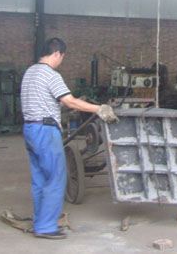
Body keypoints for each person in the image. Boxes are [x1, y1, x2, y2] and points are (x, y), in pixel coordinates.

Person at [20, 37, 118, 239]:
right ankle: (46, 227)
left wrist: (73, 102)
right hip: (46, 131)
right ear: (57, 53)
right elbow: (69, 102)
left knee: (40, 178)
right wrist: (99, 109)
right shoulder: (51, 74)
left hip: (30, 129)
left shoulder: (30, 72)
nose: (61, 61)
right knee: (56, 177)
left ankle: (40, 221)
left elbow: (48, 100)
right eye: (62, 57)